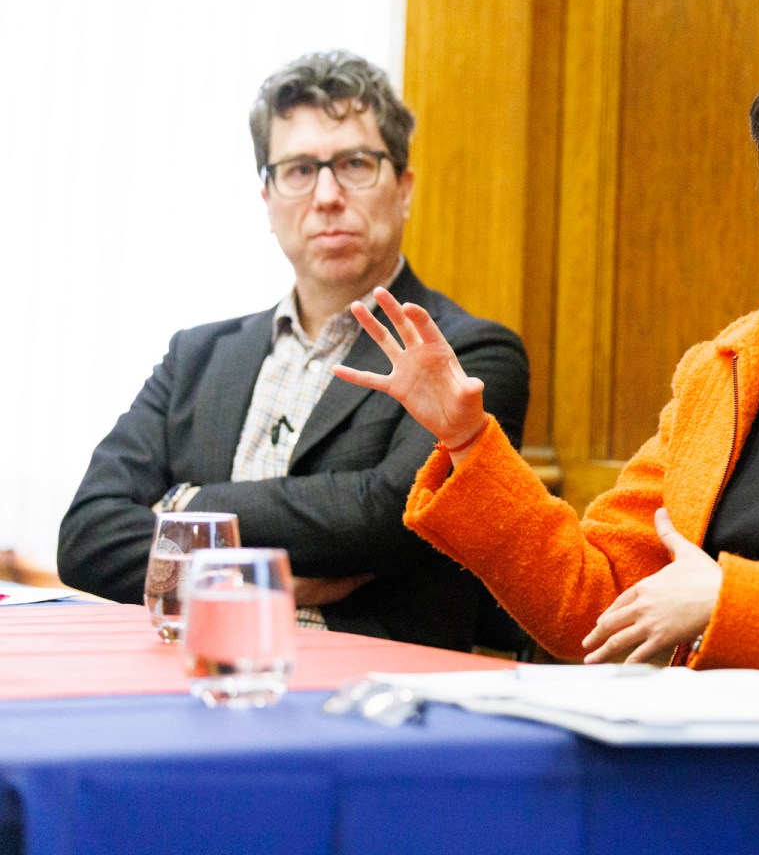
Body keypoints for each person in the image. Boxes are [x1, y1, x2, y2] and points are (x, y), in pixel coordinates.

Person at [334, 32, 759, 714]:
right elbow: (596, 605)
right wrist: (467, 441)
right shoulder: (718, 371)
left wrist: (727, 603)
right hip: (688, 767)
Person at [57, 51, 529, 651]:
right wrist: (269, 584)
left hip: (367, 699)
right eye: (300, 169)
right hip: (186, 677)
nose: (328, 195)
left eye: (356, 164)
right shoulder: (195, 359)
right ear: (268, 200)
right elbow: (87, 537)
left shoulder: (469, 352)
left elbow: (389, 514)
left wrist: (185, 505)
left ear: (404, 189)